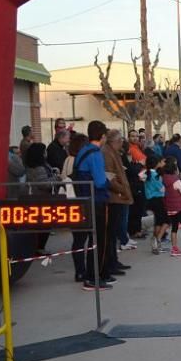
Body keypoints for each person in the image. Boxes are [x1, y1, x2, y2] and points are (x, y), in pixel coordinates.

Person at [73, 121, 119, 291]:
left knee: (94, 239)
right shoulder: (95, 154)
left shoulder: (82, 151)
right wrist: (108, 179)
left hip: (84, 199)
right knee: (99, 240)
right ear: (102, 136)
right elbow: (99, 181)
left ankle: (100, 273)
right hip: (97, 200)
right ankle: (94, 277)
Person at [102, 129, 135, 268]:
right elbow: (110, 177)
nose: (123, 142)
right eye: (121, 139)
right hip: (115, 197)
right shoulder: (107, 153)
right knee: (112, 231)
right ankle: (111, 262)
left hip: (120, 196)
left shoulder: (114, 152)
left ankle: (114, 261)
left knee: (114, 229)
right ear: (115, 141)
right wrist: (123, 190)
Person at [63, 133, 90, 280]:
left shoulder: (69, 159)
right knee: (81, 239)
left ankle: (80, 270)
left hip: (73, 200)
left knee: (78, 239)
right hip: (78, 201)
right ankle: (81, 270)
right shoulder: (78, 160)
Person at [144, 154, 169, 255]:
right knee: (165, 220)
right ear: (156, 163)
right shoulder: (155, 175)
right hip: (158, 199)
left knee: (158, 221)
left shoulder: (147, 173)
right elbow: (161, 188)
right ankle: (156, 240)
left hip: (150, 199)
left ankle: (156, 241)